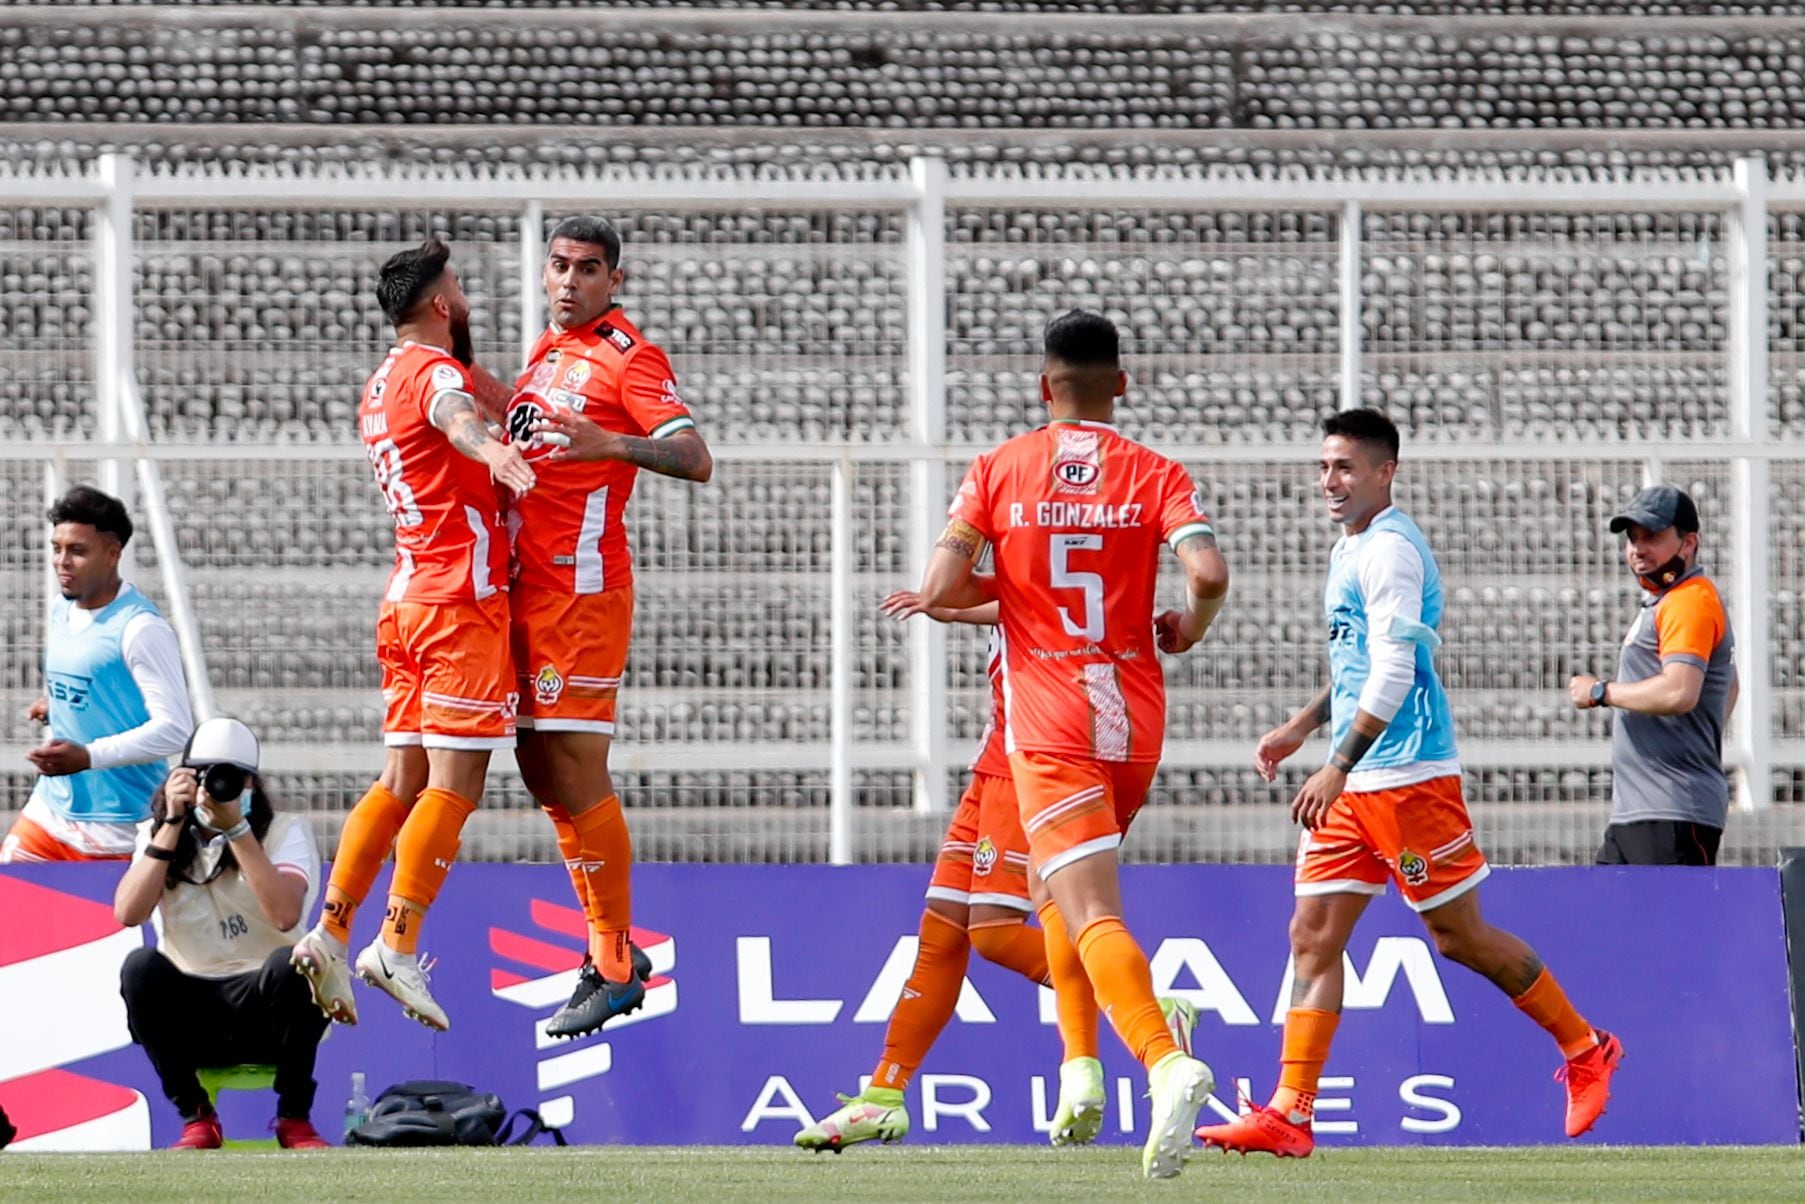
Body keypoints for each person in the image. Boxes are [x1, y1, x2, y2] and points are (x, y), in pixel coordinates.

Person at [1197, 408, 1622, 1159]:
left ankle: (1585, 1046)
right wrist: (1303, 727)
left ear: (1384, 472)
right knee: (1311, 938)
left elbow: (1396, 670)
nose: (1330, 481)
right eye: (1324, 466)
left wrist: (1335, 763)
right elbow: (1358, 664)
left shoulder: (1390, 550)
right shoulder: (1349, 546)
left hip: (1406, 778)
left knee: (1457, 937)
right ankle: (1290, 1112)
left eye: (1345, 468)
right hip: (1353, 780)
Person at [913, 309, 1228, 1180]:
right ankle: (1079, 1067)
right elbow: (1206, 574)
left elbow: (939, 589)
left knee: (1088, 909)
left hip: (1049, 720)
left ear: (1041, 383)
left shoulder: (1000, 467)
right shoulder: (1155, 471)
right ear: (1119, 384)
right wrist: (1190, 627)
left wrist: (1018, 580)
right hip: (1132, 717)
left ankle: (1165, 1062)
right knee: (1052, 891)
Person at [290, 237, 537, 1032]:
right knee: (454, 784)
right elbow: (456, 414)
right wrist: (491, 449)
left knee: (398, 780)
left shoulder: (380, 382)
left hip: (406, 599)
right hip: (459, 603)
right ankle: (395, 945)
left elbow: (476, 395)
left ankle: (331, 931)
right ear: (439, 303)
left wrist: (524, 414)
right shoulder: (433, 377)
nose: (463, 295)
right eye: (457, 285)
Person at [494, 215, 713, 1039]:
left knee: (577, 775)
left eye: (588, 269)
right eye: (558, 265)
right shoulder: (545, 354)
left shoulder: (630, 356)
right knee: (543, 775)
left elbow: (695, 457)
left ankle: (615, 962)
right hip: (527, 593)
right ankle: (606, 947)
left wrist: (610, 444)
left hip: (580, 597)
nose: (569, 281)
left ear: (612, 281)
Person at [796, 604, 1090, 1152]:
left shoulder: (1036, 547)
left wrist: (943, 598)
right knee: (943, 928)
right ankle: (884, 1094)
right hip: (993, 760)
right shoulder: (1029, 551)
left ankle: (1142, 1001)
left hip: (1027, 762)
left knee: (995, 933)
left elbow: (1002, 595)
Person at [114, 717, 329, 1150]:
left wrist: (237, 830)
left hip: (270, 1010)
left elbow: (286, 915)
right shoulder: (158, 834)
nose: (217, 786)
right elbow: (127, 913)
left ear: (252, 783)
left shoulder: (285, 831)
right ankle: (196, 1116)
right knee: (139, 967)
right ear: (184, 778)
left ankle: (294, 1117)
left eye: (232, 776)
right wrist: (172, 825)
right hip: (193, 1009)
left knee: (295, 963)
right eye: (206, 775)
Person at [3, 486, 192, 863]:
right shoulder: (62, 609)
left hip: (117, 828)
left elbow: (175, 728)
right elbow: (97, 685)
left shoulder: (141, 629)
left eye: (77, 551)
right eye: (57, 548)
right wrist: (58, 706)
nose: (62, 561)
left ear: (112, 554)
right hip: (49, 813)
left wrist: (89, 756)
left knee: (105, 925)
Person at [1568, 484, 1737, 866]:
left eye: (1653, 537)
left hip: (1673, 810)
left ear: (1688, 542)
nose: (1637, 549)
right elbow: (1730, 680)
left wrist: (1601, 691)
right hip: (1643, 810)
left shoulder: (1688, 600)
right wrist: (1698, 732)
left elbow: (1679, 692)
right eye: (1633, 538)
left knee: (1670, 925)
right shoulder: (1669, 600)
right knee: (1609, 919)